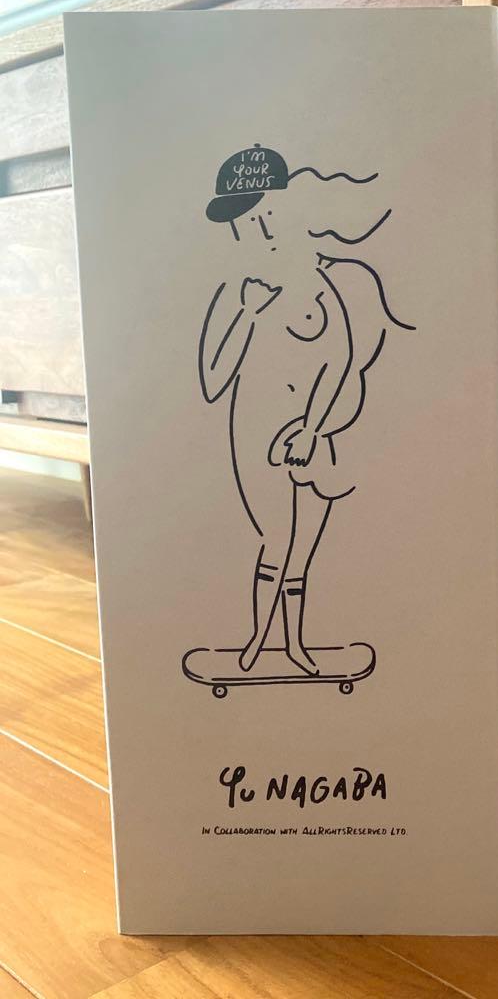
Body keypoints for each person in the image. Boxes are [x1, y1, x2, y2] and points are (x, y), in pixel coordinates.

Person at [197, 145, 412, 676]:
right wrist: (248, 315)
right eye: (242, 221)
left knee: (304, 549)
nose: (253, 230)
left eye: (260, 215)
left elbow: (340, 359)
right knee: (277, 540)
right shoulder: (236, 291)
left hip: (312, 435)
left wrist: (313, 429)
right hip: (255, 433)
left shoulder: (321, 286)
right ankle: (256, 642)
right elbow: (212, 380)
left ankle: (294, 645)